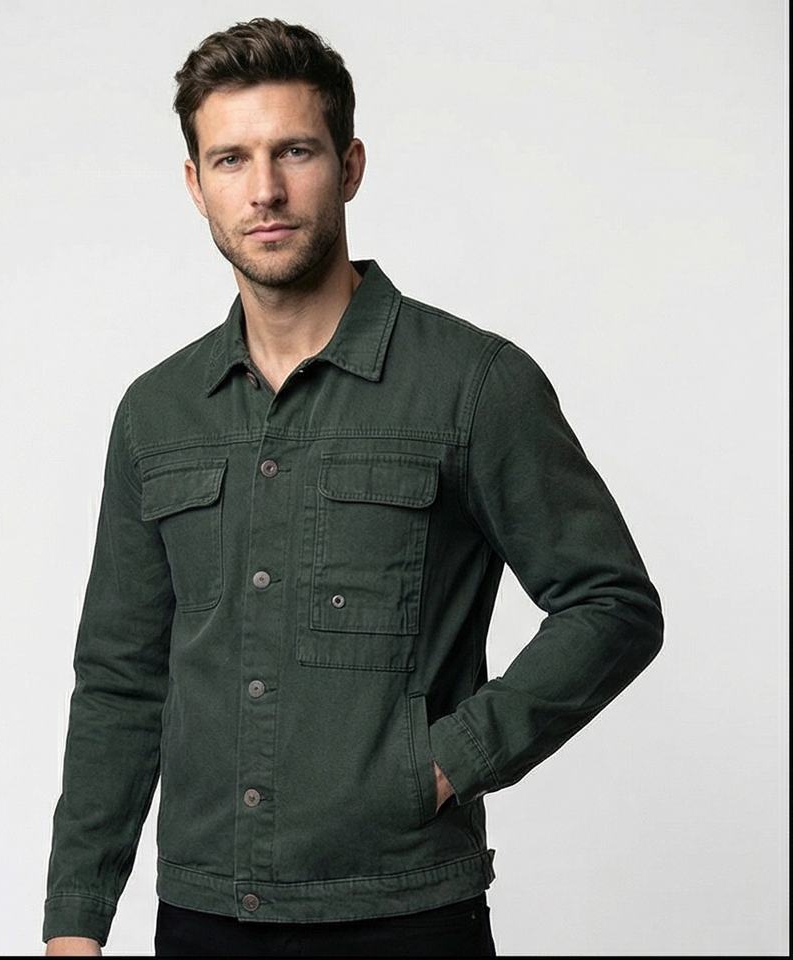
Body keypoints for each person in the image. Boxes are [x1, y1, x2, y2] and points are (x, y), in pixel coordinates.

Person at [42, 16, 664, 958]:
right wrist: (75, 921)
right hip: (205, 917)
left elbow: (612, 603)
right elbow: (121, 681)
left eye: (294, 151)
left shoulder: (472, 384)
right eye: (231, 160)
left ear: (351, 166)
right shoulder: (156, 413)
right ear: (195, 186)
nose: (265, 190)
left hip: (406, 914)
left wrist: (448, 761)